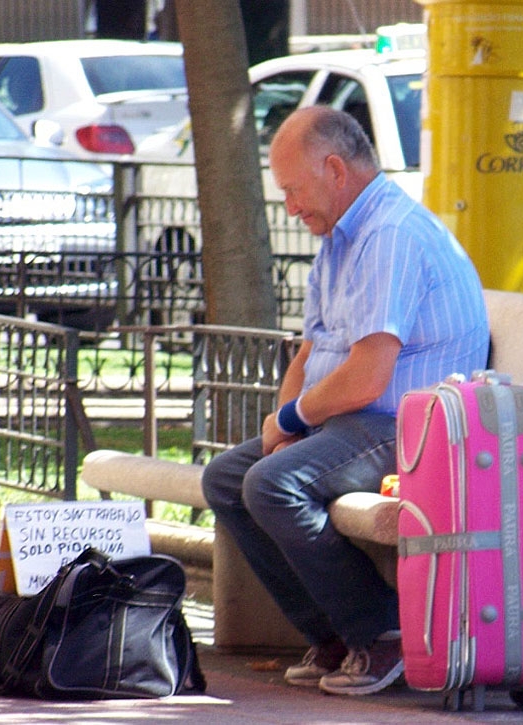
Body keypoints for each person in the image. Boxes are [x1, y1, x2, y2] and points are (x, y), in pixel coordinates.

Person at [202, 106, 489, 696]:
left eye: (293, 189)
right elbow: (310, 353)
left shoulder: (390, 236)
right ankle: (334, 636)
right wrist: (285, 425)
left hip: (412, 429)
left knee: (271, 483)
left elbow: (367, 378)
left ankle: (381, 633)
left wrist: (291, 419)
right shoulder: (340, 235)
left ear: (334, 169)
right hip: (354, 424)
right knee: (228, 477)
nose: (289, 206)